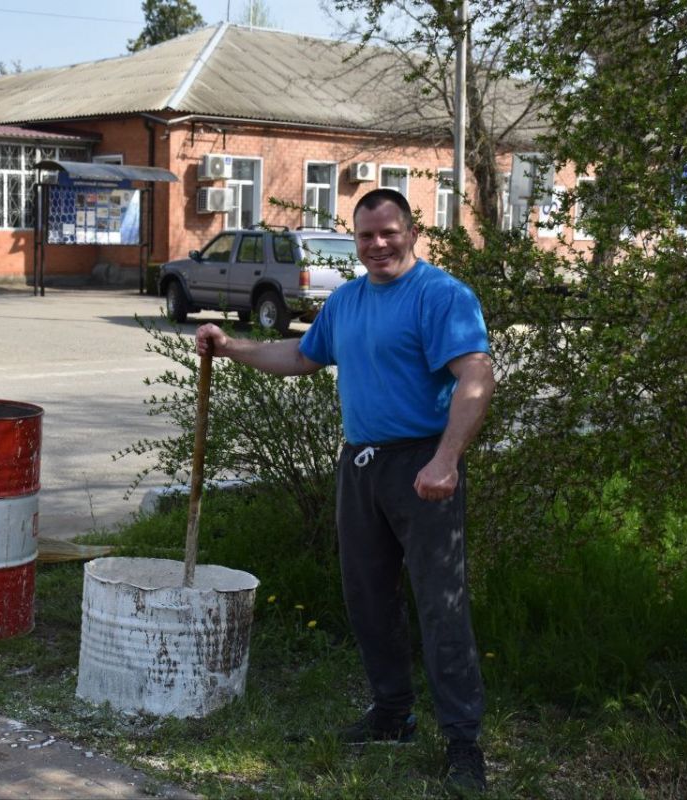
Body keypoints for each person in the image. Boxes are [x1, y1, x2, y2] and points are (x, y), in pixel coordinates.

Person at [195, 188, 495, 792]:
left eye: (389, 232)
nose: (378, 245)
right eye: (366, 235)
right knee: (367, 600)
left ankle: (464, 743)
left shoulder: (441, 296)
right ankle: (392, 715)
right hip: (359, 466)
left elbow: (477, 375)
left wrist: (446, 460)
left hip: (422, 467)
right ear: (353, 239)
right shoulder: (349, 301)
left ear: (412, 233)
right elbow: (302, 355)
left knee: (441, 607)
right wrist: (234, 348)